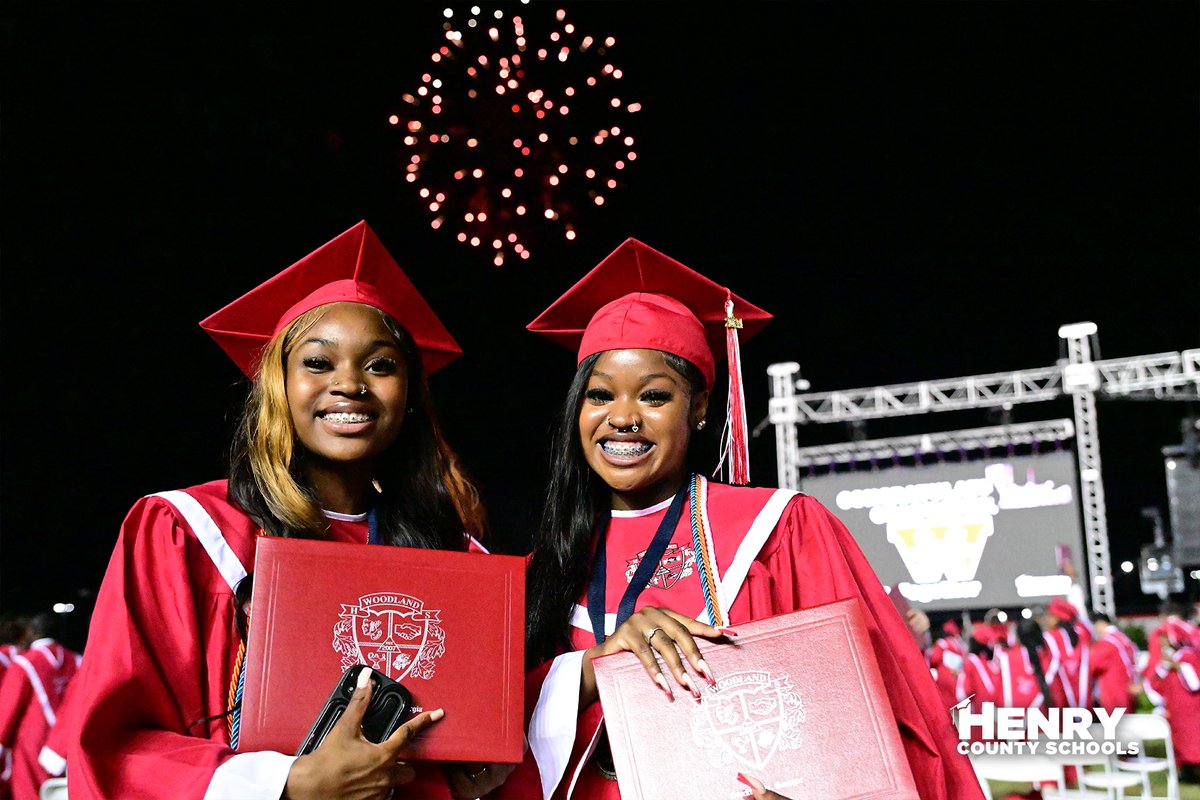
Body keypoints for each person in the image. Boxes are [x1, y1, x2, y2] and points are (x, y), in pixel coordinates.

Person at [496, 238, 982, 799]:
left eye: (654, 397)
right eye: (599, 396)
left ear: (699, 409)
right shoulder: (545, 570)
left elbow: (883, 719)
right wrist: (591, 667)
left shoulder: (779, 532)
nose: (622, 418)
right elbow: (482, 752)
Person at [66, 221, 500, 800]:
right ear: (277, 384)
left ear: (409, 397)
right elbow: (115, 746)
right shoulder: (189, 531)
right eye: (318, 363)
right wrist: (288, 784)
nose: (350, 384)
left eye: (380, 365)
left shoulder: (454, 556)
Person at [0, 612, 81, 800]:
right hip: (66, 744)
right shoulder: (77, 660)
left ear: (32, 632)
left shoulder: (24, 663)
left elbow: (7, 710)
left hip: (32, 745)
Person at [1040, 597, 1092, 710]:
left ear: (1057, 618)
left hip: (1060, 695)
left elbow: (1049, 668)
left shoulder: (1051, 637)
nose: (1046, 619)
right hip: (1085, 694)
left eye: (1049, 616)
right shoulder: (1083, 634)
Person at [1088, 613, 1138, 716]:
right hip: (1128, 686)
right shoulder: (1123, 638)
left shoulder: (1107, 642)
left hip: (1113, 690)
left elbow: (1091, 665)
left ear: (1099, 624)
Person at [929, 620, 968, 711]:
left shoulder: (942, 643)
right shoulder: (960, 645)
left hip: (944, 676)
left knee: (944, 704)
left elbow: (934, 658)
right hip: (957, 676)